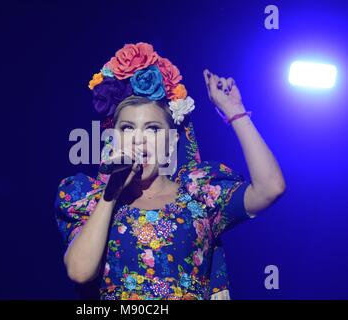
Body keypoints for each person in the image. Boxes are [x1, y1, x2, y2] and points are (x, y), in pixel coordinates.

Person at [54, 42, 285, 300]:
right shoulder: (90, 198)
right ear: (113, 138)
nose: (138, 139)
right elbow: (79, 271)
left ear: (172, 141)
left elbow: (270, 188)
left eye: (152, 129)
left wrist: (236, 113)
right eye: (127, 129)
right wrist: (112, 193)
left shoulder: (199, 194)